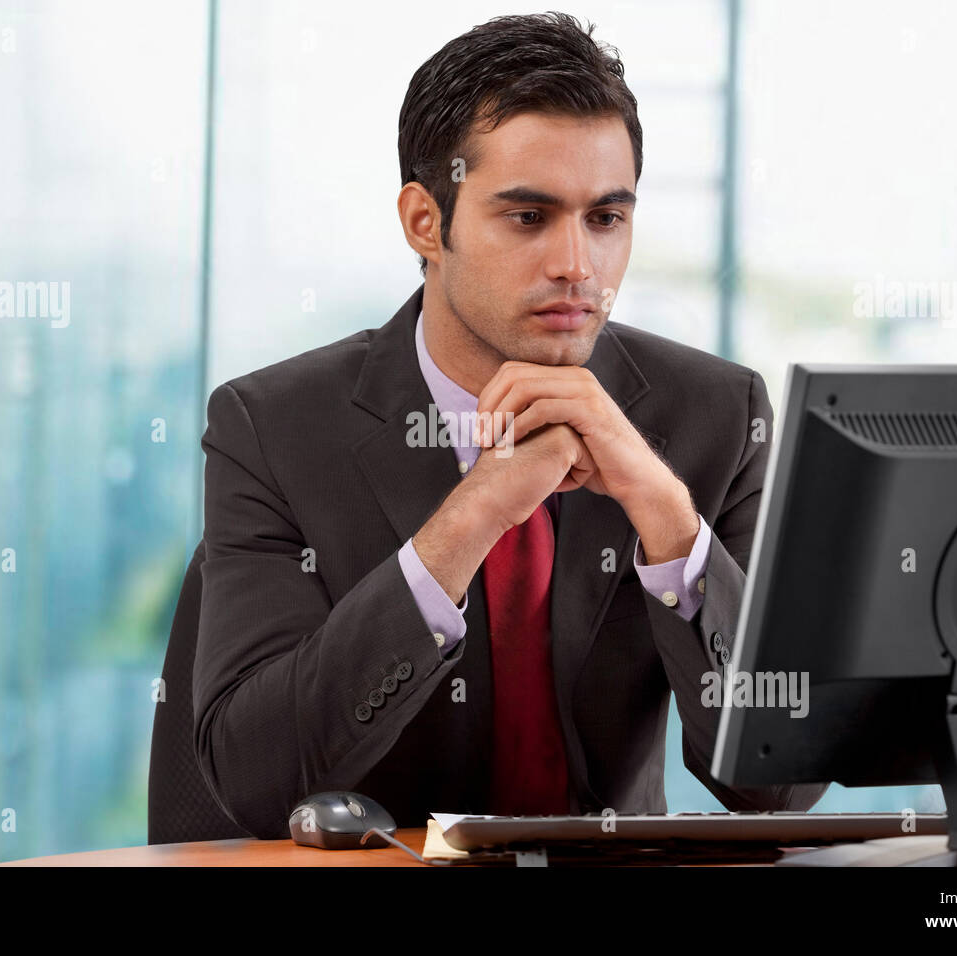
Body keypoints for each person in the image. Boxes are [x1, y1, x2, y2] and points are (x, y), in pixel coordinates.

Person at [192, 11, 829, 839]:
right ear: (427, 222)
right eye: (529, 218)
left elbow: (781, 785)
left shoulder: (713, 412)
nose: (578, 265)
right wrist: (472, 516)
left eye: (606, 218)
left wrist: (668, 519)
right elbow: (252, 778)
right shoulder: (272, 427)